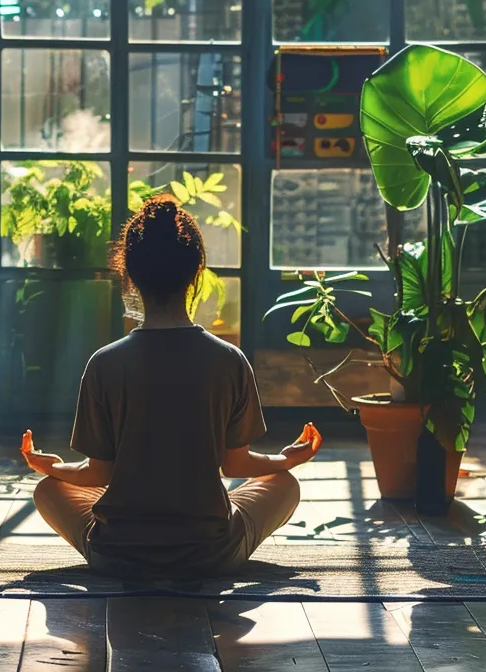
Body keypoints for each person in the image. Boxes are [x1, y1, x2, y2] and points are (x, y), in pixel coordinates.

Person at [22, 196, 320, 578]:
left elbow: (99, 474)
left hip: (118, 553)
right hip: (210, 551)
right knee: (285, 485)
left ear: (129, 274)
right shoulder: (229, 359)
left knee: (48, 490)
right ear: (197, 272)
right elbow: (236, 465)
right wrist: (287, 459)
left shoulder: (105, 363)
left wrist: (55, 467)